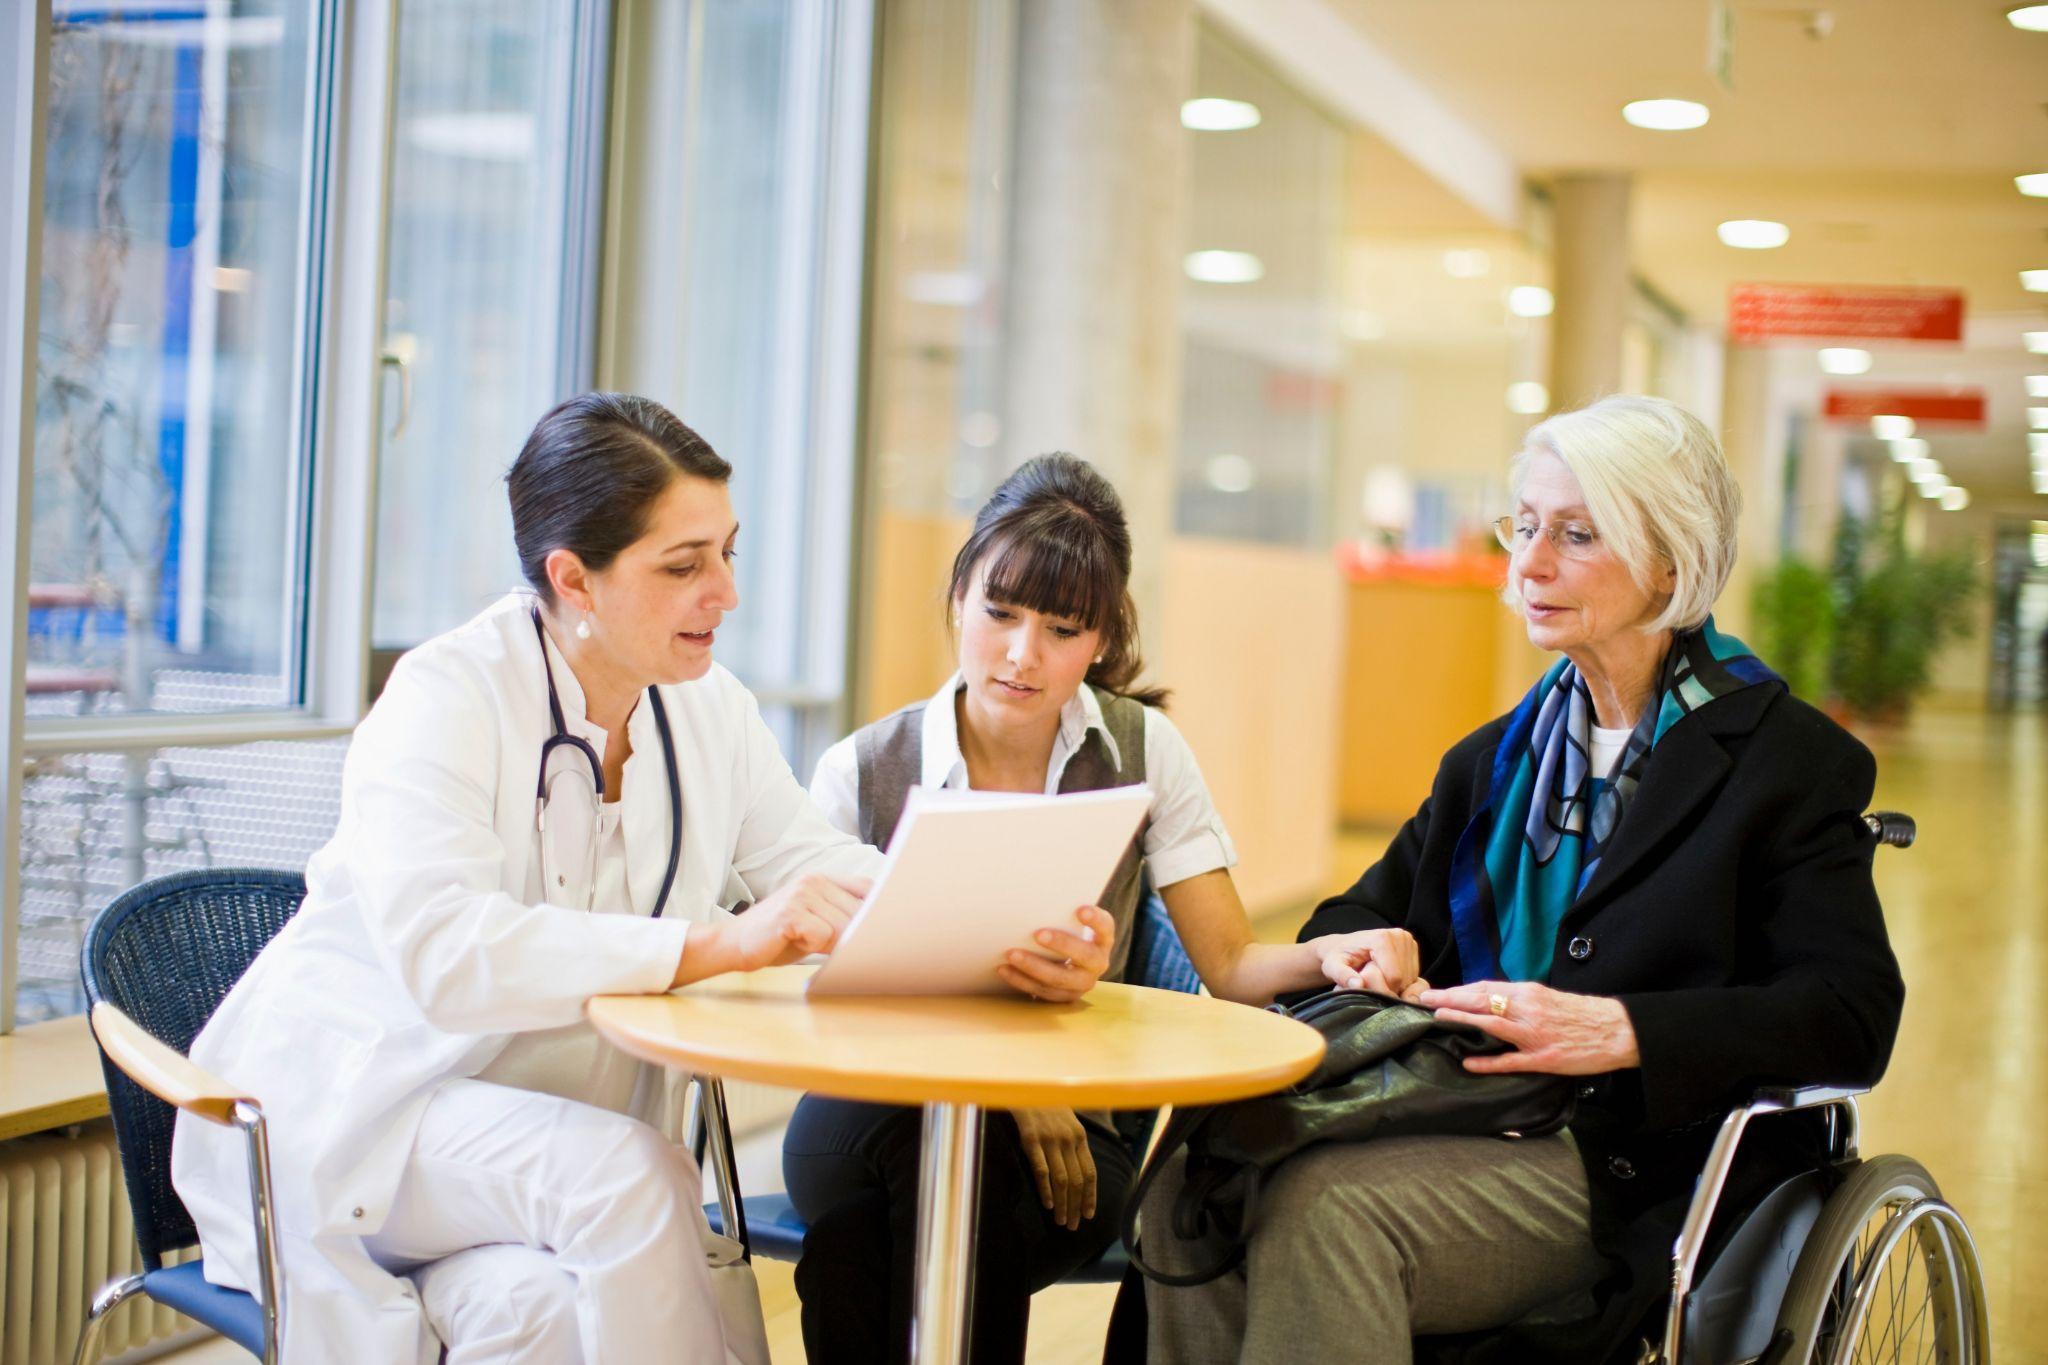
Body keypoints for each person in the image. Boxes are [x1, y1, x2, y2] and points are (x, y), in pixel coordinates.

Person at [173, 393, 975, 1364]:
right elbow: (446, 954)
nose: (723, 593)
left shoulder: (704, 708)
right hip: (366, 1116)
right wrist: (714, 943)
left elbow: (809, 860)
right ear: (574, 579)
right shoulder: (445, 697)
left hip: (530, 1148)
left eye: (727, 552)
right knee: (627, 1178)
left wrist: (981, 921)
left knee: (535, 1315)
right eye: (683, 566)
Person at [1139, 395, 1907, 1364]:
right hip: (1459, 1107)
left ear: (1670, 562)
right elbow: (1360, 910)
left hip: (1639, 1161)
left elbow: (1848, 1012)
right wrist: (1360, 945)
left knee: (1328, 1210)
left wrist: (1620, 1031)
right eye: (1527, 527)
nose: (1531, 564)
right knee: (1189, 1185)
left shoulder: (1780, 762)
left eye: (1577, 536)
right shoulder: (1494, 761)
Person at [783, 453, 1407, 1364]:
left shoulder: (1143, 749)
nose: (1021, 654)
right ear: (958, 594)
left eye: (1062, 628)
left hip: (1077, 1131)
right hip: (876, 1107)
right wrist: (1009, 1088)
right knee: (923, 1202)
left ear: (1103, 637)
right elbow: (814, 990)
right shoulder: (862, 768)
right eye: (999, 611)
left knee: (868, 1245)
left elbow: (1230, 966)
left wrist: (1330, 956)